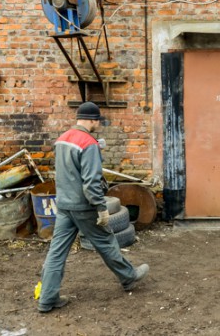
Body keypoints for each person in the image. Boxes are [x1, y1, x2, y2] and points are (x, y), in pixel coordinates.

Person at [38, 101, 149, 313]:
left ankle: (47, 298)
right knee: (106, 241)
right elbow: (91, 181)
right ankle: (128, 277)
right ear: (92, 120)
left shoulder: (62, 139)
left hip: (63, 205)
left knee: (56, 252)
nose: (98, 124)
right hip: (83, 206)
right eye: (97, 120)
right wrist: (100, 207)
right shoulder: (89, 143)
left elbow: (65, 173)